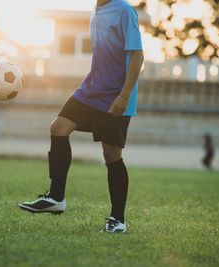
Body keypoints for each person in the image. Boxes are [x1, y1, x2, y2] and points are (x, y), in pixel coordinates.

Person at [19, 0, 144, 234]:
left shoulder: (125, 11)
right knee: (58, 127)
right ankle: (56, 198)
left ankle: (118, 220)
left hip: (116, 95)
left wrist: (124, 96)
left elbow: (137, 55)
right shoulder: (96, 9)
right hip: (91, 90)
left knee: (111, 154)